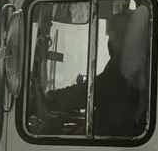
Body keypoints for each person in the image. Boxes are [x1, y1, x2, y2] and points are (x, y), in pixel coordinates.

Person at [45, 10, 147, 138]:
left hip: (114, 136)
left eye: (113, 35)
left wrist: (51, 99)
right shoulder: (127, 64)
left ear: (125, 36)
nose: (109, 41)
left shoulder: (124, 68)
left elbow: (92, 91)